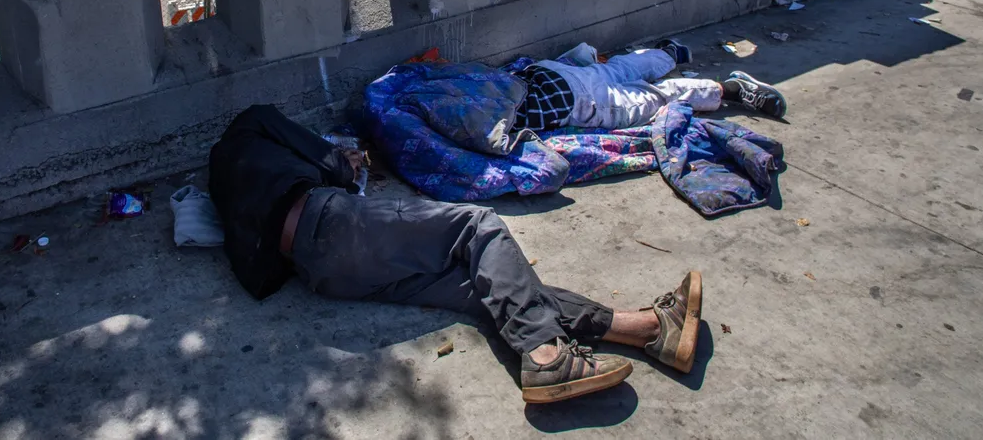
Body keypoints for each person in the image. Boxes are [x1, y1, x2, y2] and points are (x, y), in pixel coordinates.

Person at [209, 104, 704, 405]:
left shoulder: (226, 187)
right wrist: (345, 163)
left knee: (486, 287)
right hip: (333, 226)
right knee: (477, 225)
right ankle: (546, 354)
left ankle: (649, 331)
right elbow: (328, 165)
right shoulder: (254, 124)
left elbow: (259, 273)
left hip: (320, 273)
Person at [512, 39, 787, 133]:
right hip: (544, 74)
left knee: (656, 98)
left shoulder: (476, 129)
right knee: (613, 71)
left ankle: (732, 89)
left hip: (575, 102)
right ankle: (669, 53)